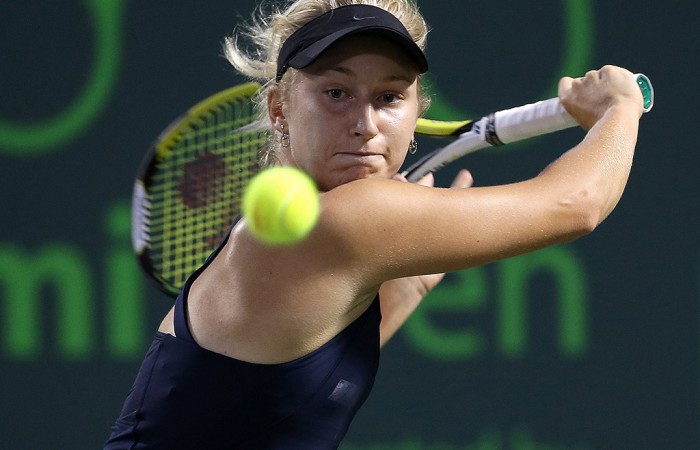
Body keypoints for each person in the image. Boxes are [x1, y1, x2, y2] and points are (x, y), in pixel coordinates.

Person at [105, 0, 645, 448]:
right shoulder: (346, 221)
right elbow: (577, 205)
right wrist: (619, 108)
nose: (365, 124)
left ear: (416, 114)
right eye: (336, 93)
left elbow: (281, 403)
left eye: (389, 97)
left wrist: (400, 292)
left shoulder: (300, 241)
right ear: (278, 108)